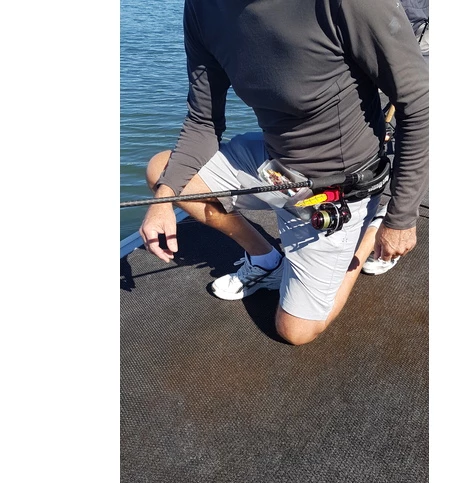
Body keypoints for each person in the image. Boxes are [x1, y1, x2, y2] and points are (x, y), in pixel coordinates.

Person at [139, 0, 429, 346]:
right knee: (163, 173)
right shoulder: (202, 7)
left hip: (340, 183)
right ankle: (266, 258)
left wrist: (401, 219)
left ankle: (371, 228)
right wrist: (163, 199)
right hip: (273, 162)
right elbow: (203, 120)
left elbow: (419, 104)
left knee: (295, 331)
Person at [362, 0, 429, 276]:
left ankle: (395, 218)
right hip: (373, 35)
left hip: (419, 36)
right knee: (368, 121)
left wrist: (400, 218)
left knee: (415, 124)